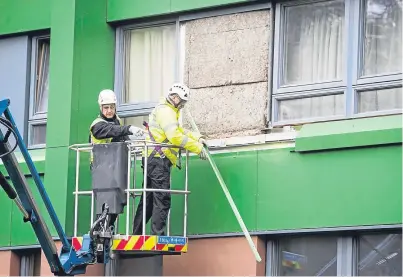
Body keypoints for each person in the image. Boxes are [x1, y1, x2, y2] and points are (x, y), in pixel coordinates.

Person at [132, 83, 208, 236]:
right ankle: (157, 235)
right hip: (159, 160)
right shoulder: (167, 112)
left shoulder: (166, 110)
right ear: (175, 98)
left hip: (151, 158)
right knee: (162, 198)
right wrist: (197, 148)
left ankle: (137, 233)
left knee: (148, 198)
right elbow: (175, 136)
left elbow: (179, 130)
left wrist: (197, 137)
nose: (183, 105)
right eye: (182, 102)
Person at [89, 89, 145, 228]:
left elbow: (121, 137)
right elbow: (113, 131)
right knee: (106, 204)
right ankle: (99, 233)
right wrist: (129, 128)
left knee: (116, 201)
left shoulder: (116, 120)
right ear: (101, 108)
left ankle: (107, 230)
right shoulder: (97, 125)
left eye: (112, 107)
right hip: (101, 167)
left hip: (114, 165)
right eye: (106, 107)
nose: (109, 111)